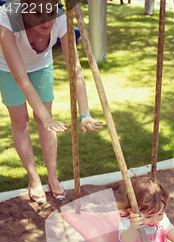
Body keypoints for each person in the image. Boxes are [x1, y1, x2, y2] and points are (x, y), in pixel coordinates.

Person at [0, 0, 103, 204]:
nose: (46, 20)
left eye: (50, 12)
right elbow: (21, 79)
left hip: (41, 66)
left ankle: (52, 176)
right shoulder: (6, 19)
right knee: (21, 122)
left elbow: (76, 71)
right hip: (8, 70)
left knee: (46, 124)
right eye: (37, 14)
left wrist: (85, 113)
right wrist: (45, 117)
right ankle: (34, 178)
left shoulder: (61, 20)